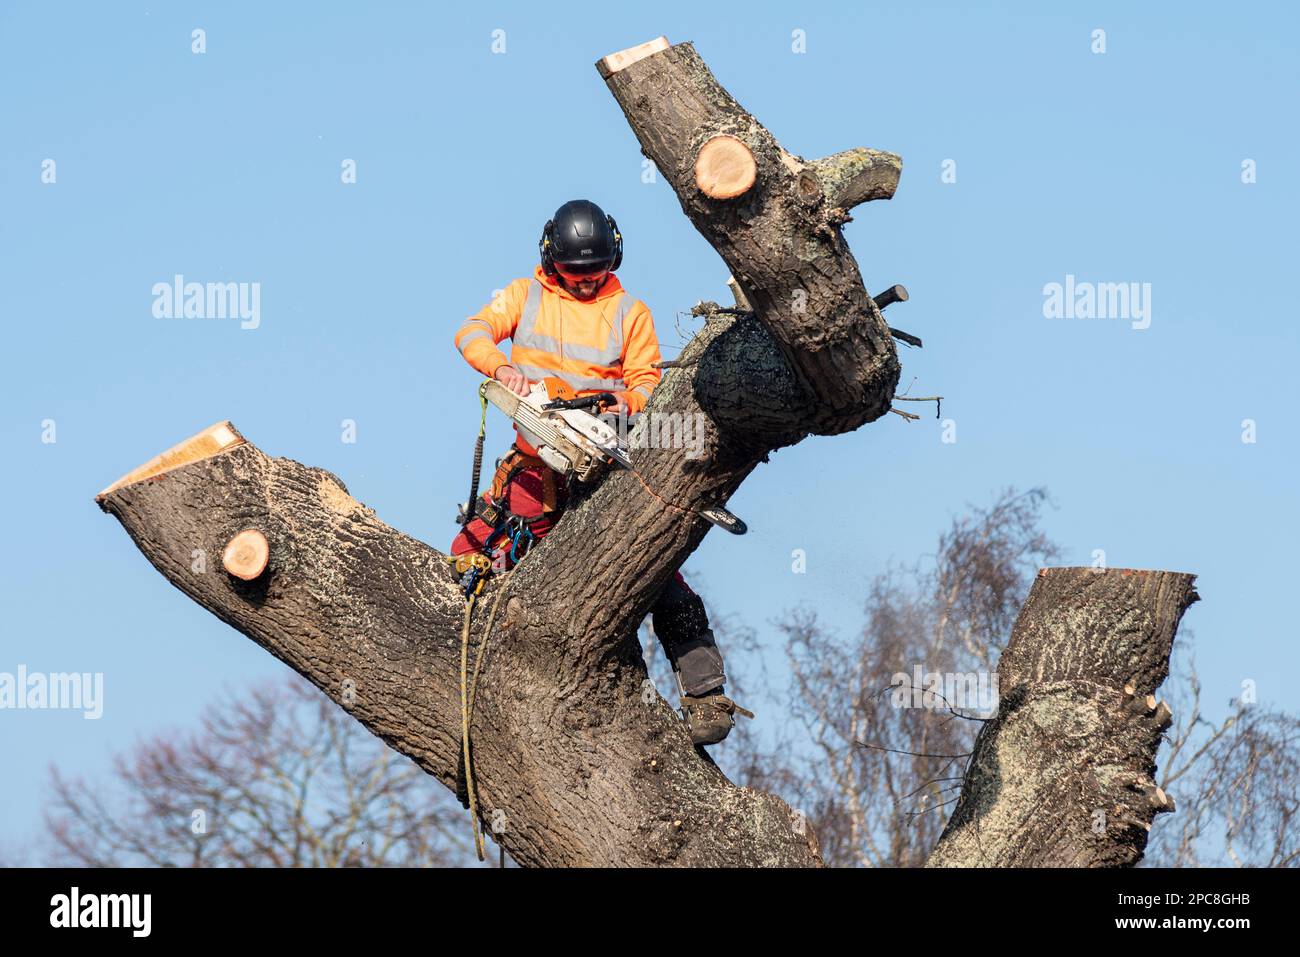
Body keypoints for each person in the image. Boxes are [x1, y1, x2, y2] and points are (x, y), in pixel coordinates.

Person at [450, 199, 745, 746]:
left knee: (659, 573)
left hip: (604, 461)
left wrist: (619, 409)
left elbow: (648, 385)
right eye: (574, 273)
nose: (585, 284)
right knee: (475, 550)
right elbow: (470, 332)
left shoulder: (630, 312)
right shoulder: (523, 295)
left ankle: (705, 694)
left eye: (594, 272)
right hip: (535, 463)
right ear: (551, 259)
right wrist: (503, 368)